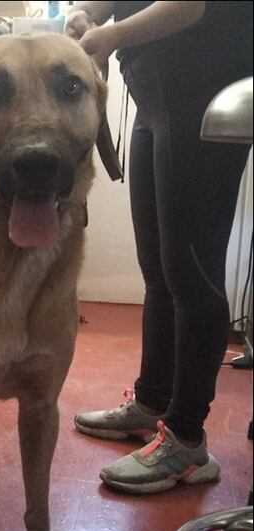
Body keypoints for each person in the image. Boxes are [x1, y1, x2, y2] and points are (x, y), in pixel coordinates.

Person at [65, 1, 253, 494]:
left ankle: (188, 442)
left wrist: (109, 37)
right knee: (160, 272)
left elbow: (190, 6)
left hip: (201, 87)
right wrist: (83, 12)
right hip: (156, 93)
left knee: (192, 273)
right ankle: (151, 405)